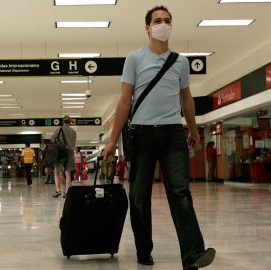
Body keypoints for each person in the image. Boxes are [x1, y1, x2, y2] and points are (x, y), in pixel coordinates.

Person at [102, 6, 215, 269]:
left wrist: (193, 129)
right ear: (147, 27)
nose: (163, 24)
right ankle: (143, 250)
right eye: (157, 20)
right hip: (141, 134)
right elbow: (123, 101)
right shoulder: (134, 58)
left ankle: (193, 254)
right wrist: (111, 140)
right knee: (139, 197)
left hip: (173, 134)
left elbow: (186, 98)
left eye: (167, 20)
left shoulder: (180, 62)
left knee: (180, 191)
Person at [51, 115, 76, 198]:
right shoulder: (73, 131)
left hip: (60, 153)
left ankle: (58, 191)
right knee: (68, 174)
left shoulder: (59, 129)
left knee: (56, 172)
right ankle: (67, 192)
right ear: (69, 122)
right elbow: (73, 144)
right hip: (69, 154)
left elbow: (52, 139)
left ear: (62, 122)